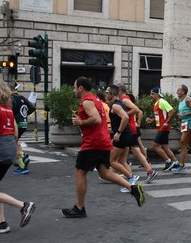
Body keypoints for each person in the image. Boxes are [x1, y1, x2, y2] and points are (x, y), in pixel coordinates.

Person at [62, 77, 145, 218]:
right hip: (103, 141)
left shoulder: (87, 101)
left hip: (93, 142)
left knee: (80, 172)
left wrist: (80, 121)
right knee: (104, 173)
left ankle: (79, 208)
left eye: (75, 87)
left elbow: (96, 119)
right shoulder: (96, 100)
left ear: (81, 88)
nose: (74, 90)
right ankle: (132, 187)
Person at [0, 81, 36, 233]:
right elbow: (15, 132)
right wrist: (15, 147)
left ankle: (23, 205)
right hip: (9, 149)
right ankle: (1, 222)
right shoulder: (8, 109)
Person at [117, 85, 157, 184]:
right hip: (129, 128)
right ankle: (132, 176)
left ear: (120, 91)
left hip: (129, 129)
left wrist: (125, 115)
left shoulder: (125, 100)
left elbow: (136, 109)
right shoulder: (124, 99)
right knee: (128, 154)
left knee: (134, 151)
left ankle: (145, 173)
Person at [105, 85, 140, 193]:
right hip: (126, 135)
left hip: (123, 135)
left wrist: (118, 133)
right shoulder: (118, 104)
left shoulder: (116, 106)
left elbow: (125, 117)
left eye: (107, 92)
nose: (105, 95)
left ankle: (131, 177)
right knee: (122, 161)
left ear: (112, 94)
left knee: (112, 161)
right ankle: (131, 184)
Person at [146, 87, 178, 172]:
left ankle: (168, 161)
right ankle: (176, 162)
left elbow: (172, 111)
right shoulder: (157, 103)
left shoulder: (162, 102)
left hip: (163, 128)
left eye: (152, 93)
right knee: (165, 147)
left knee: (155, 146)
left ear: (157, 94)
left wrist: (166, 122)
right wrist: (152, 120)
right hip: (161, 127)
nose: (151, 95)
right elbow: (159, 116)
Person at [9, 83, 35, 175]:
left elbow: (9, 112)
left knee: (13, 145)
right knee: (15, 142)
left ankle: (22, 161)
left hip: (16, 125)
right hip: (23, 124)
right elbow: (32, 107)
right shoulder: (22, 98)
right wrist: (24, 116)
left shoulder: (11, 99)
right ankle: (22, 158)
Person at [173, 85, 191, 173]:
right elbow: (185, 111)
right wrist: (181, 114)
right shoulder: (181, 100)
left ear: (183, 92)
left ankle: (181, 165)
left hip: (189, 124)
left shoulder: (187, 100)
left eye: (178, 90)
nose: (177, 92)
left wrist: (184, 115)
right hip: (184, 124)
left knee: (182, 142)